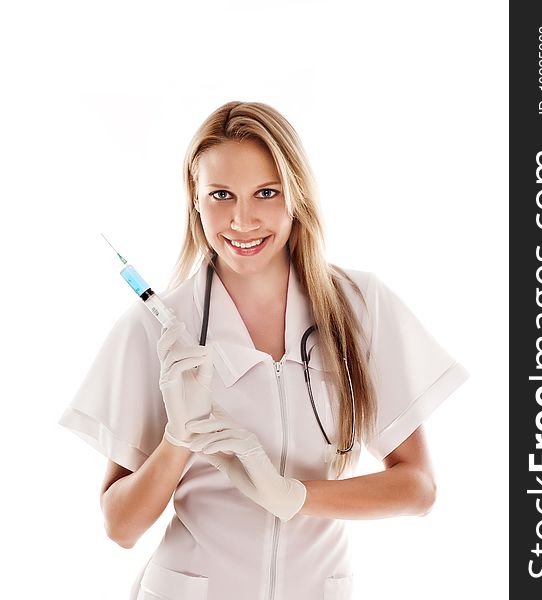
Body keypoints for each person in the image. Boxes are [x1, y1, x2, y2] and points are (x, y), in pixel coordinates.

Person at [58, 100, 469, 600]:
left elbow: (418, 489)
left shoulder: (360, 307)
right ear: (195, 200)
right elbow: (120, 527)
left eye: (266, 193)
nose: (243, 220)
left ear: (295, 195)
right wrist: (177, 439)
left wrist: (295, 497)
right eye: (221, 195)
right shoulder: (156, 328)